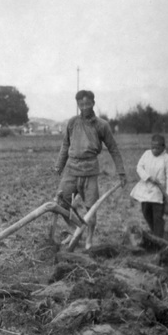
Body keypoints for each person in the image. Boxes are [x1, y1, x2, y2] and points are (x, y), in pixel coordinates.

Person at [53, 90, 127, 249]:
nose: (84, 107)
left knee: (91, 208)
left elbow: (113, 148)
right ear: (78, 105)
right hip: (71, 169)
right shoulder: (72, 122)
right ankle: (74, 229)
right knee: (60, 204)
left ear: (93, 103)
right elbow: (65, 144)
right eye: (81, 104)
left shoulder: (102, 125)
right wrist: (60, 164)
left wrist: (121, 172)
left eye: (87, 104)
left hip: (90, 171)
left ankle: (89, 238)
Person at [129, 134, 168, 238]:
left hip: (159, 191)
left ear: (163, 147)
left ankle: (158, 238)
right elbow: (139, 167)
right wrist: (148, 177)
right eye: (153, 147)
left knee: (157, 216)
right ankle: (156, 233)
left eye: (157, 148)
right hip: (146, 187)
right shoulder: (146, 154)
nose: (154, 150)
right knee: (146, 213)